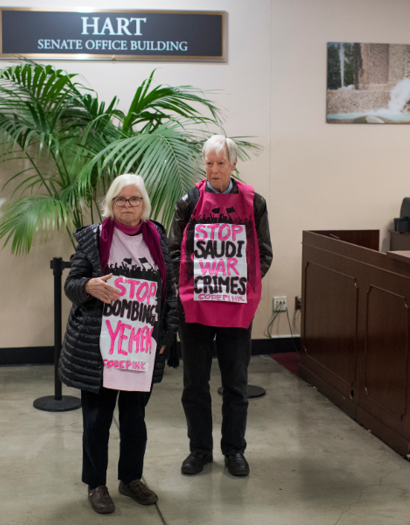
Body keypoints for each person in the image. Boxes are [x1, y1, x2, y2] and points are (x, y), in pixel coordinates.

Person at [59, 174, 178, 514]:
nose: (128, 205)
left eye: (135, 199)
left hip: (140, 347)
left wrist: (166, 338)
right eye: (121, 200)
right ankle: (96, 484)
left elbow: (168, 293)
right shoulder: (94, 240)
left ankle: (131, 478)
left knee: (134, 418)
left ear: (145, 204)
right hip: (99, 349)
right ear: (110, 204)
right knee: (96, 420)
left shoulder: (156, 238)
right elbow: (72, 284)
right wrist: (89, 286)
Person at [168, 135, 273, 478]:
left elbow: (263, 253)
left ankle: (234, 451)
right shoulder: (188, 201)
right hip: (196, 309)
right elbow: (173, 251)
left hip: (235, 308)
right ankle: (199, 450)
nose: (214, 169)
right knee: (194, 383)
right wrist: (186, 292)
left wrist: (240, 287)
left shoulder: (254, 202)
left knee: (236, 384)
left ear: (234, 164)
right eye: (209, 162)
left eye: (220, 163)